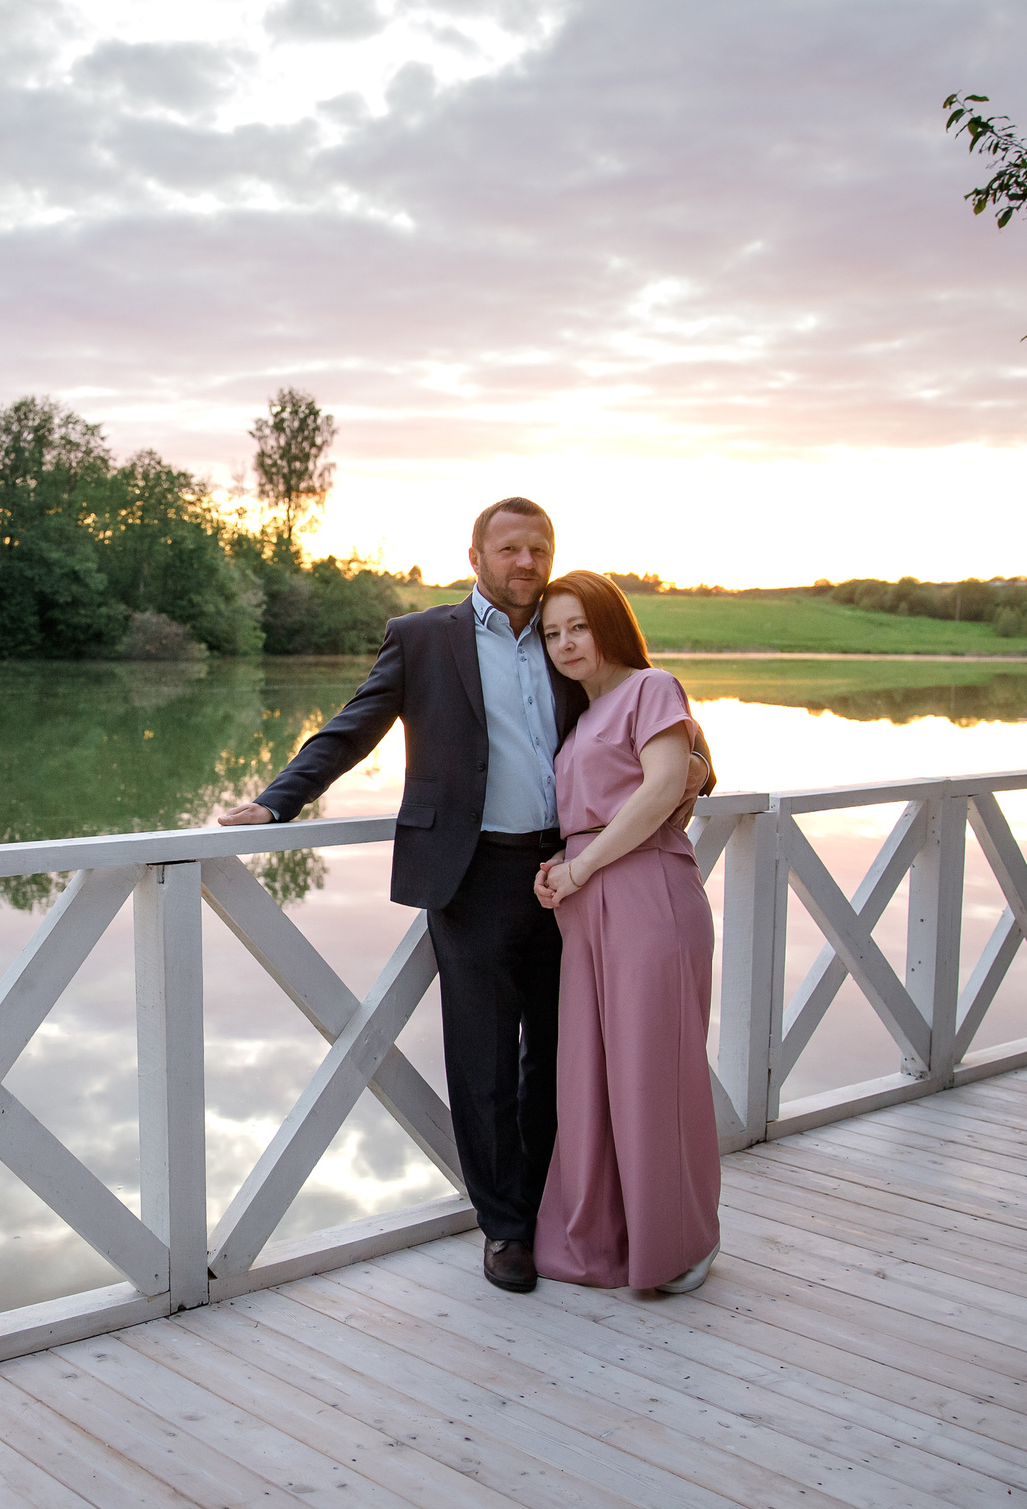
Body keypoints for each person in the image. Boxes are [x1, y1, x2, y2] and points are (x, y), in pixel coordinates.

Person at [217, 499, 706, 1293]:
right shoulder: (422, 637)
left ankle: (556, 1208)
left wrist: (696, 772)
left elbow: (641, 710)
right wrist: (279, 798)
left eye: (538, 547)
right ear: (474, 553)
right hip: (470, 874)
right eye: (509, 548)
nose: (526, 561)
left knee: (562, 1056)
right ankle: (505, 1228)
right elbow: (355, 725)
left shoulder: (564, 635)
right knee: (481, 1060)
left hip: (571, 876)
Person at [528, 570, 721, 1294]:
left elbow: (666, 784)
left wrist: (582, 870)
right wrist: (561, 864)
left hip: (648, 896)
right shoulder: (579, 720)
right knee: (590, 1080)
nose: (565, 643)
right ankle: (604, 1239)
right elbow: (591, 814)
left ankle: (682, 1241)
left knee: (654, 1073)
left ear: (609, 622)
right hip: (585, 902)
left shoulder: (651, 687)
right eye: (551, 633)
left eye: (578, 625)